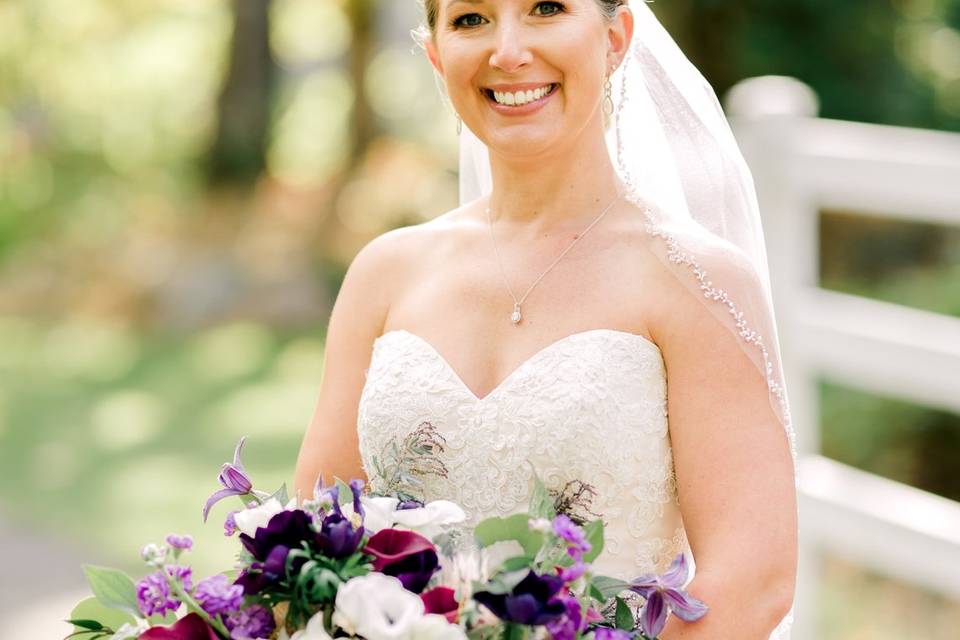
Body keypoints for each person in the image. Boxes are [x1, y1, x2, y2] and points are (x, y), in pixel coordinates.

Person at [294, 1, 798, 638]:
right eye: (470, 19)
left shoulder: (695, 282)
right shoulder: (385, 273)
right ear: (435, 54)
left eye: (547, 8)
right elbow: (313, 544)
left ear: (615, 38)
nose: (507, 51)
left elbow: (751, 583)